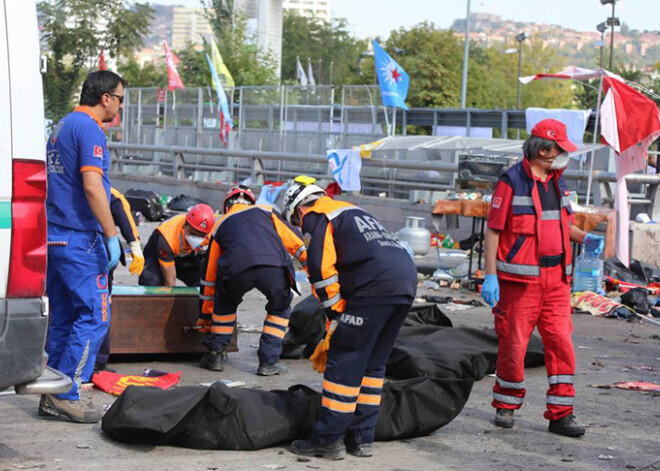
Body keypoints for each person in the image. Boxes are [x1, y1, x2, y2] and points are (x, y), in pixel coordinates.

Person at [480, 119, 604, 438]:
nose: (563, 155)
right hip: (520, 285)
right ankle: (506, 405)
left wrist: (584, 238)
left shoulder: (558, 183)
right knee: (514, 345)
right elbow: (493, 229)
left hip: (556, 281)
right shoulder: (511, 181)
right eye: (560, 149)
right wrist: (490, 275)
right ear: (543, 149)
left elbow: (562, 225)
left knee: (561, 344)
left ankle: (561, 414)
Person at [284, 176, 417, 460]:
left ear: (298, 208)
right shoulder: (351, 210)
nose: (299, 226)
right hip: (404, 285)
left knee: (345, 361)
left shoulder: (316, 215)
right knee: (372, 365)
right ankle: (361, 438)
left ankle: (328, 440)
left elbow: (321, 268)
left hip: (374, 289)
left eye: (295, 220)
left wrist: (334, 313)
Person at [41, 71, 126, 423]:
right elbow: (92, 186)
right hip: (80, 238)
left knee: (62, 318)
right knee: (94, 315)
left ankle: (51, 394)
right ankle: (68, 392)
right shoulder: (89, 129)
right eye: (120, 99)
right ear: (105, 97)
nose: (120, 107)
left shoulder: (61, 126)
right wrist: (111, 234)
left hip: (55, 236)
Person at [198, 185, 307, 375]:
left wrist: (206, 314)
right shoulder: (266, 212)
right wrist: (312, 267)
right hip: (272, 266)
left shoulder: (220, 224)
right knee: (280, 308)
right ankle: (268, 362)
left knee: (224, 305)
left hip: (236, 269)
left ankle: (216, 356)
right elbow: (295, 242)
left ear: (226, 206)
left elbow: (210, 275)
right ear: (251, 201)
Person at [93, 187, 145, 373]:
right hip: (96, 253)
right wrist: (134, 245)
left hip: (61, 250)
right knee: (101, 307)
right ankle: (96, 363)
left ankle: (57, 361)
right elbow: (123, 213)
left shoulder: (59, 182)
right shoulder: (104, 189)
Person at [138, 204, 215, 287]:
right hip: (159, 255)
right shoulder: (167, 237)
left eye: (201, 236)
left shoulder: (212, 234)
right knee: (153, 282)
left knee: (204, 282)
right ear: (185, 225)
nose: (196, 239)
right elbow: (170, 282)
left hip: (187, 256)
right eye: (193, 233)